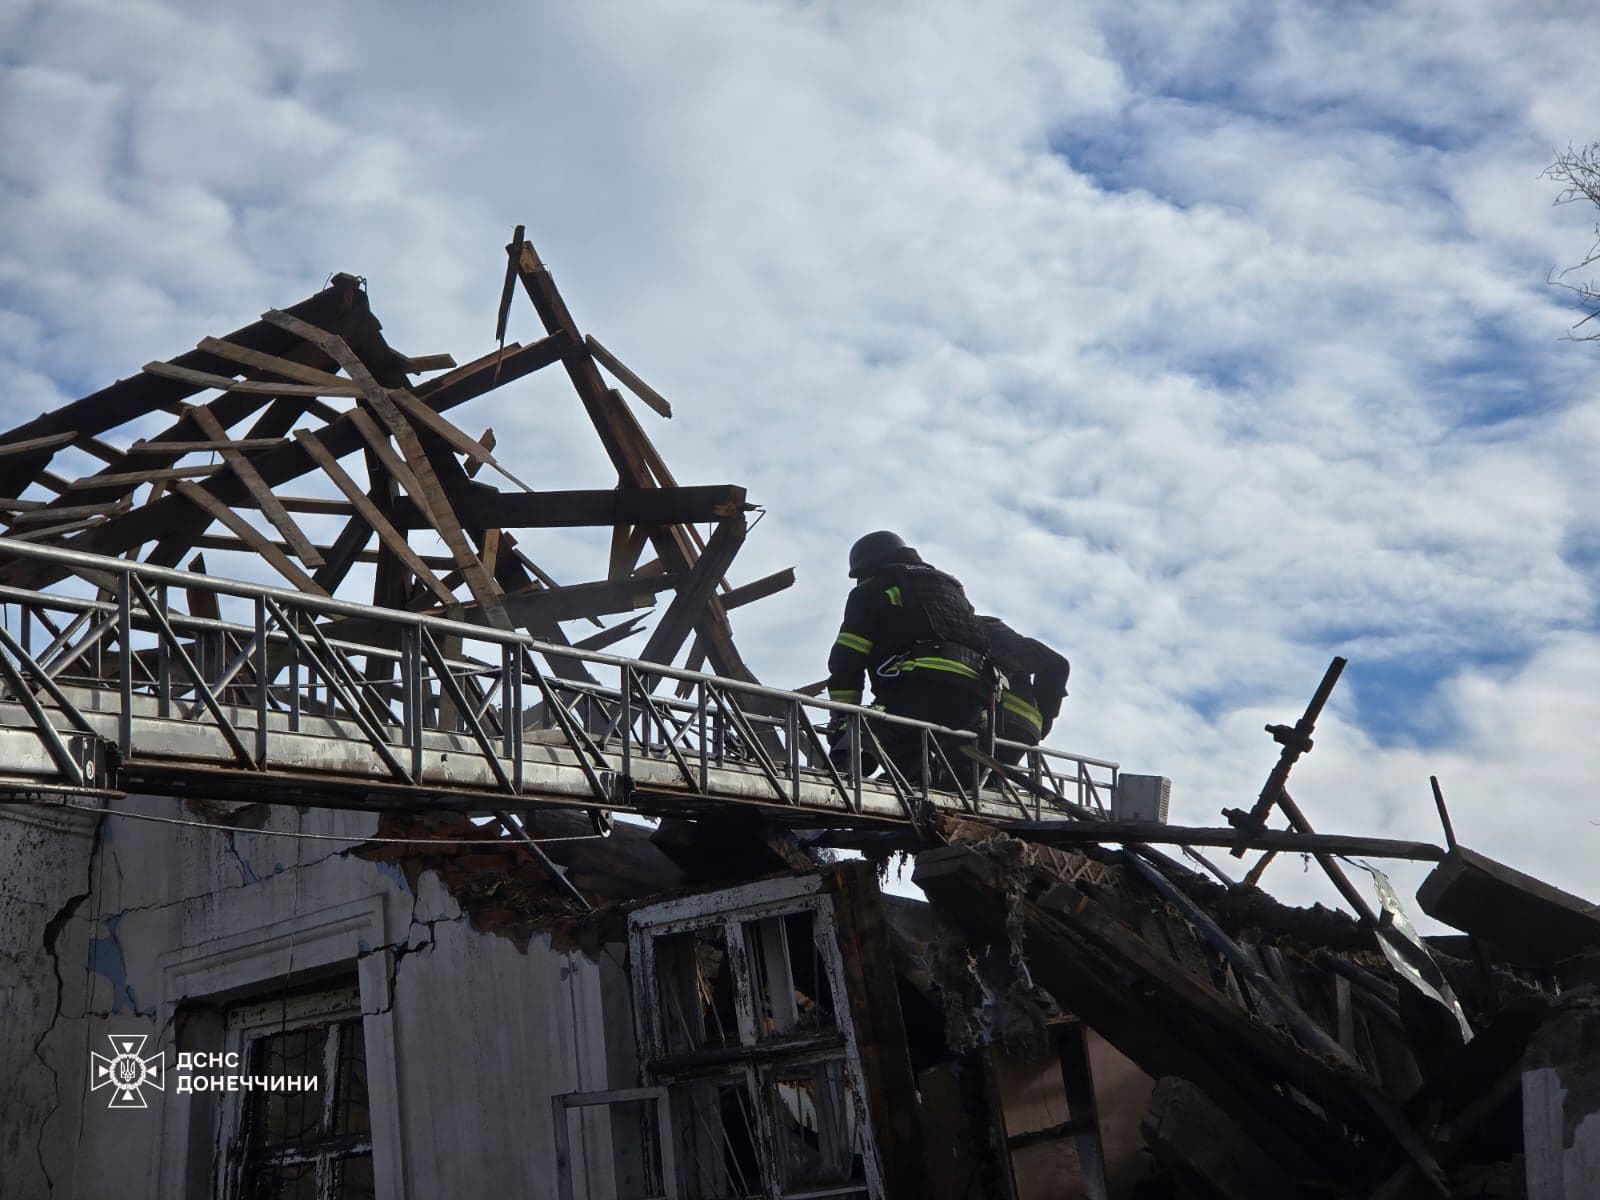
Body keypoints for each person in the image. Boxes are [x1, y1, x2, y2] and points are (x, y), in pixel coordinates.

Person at [825, 531, 992, 786]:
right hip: (973, 700)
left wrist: (842, 716)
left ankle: (837, 782)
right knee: (912, 754)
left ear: (868, 565)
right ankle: (920, 785)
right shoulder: (951, 589)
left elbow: (848, 659)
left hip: (918, 688)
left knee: (860, 733)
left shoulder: (873, 588)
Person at [978, 615, 1070, 765]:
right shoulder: (1002, 634)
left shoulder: (967, 629)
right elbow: (1058, 664)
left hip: (989, 721)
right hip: (1026, 730)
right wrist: (1044, 718)